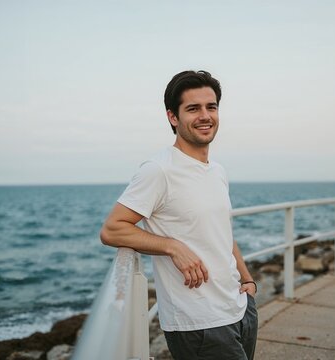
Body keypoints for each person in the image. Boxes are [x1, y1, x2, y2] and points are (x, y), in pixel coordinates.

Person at [100, 70, 257, 360]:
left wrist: (248, 282)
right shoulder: (158, 170)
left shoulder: (217, 171)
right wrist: (173, 247)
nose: (205, 115)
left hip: (239, 308)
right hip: (198, 323)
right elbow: (112, 229)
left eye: (211, 107)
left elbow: (221, 232)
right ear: (173, 117)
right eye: (193, 108)